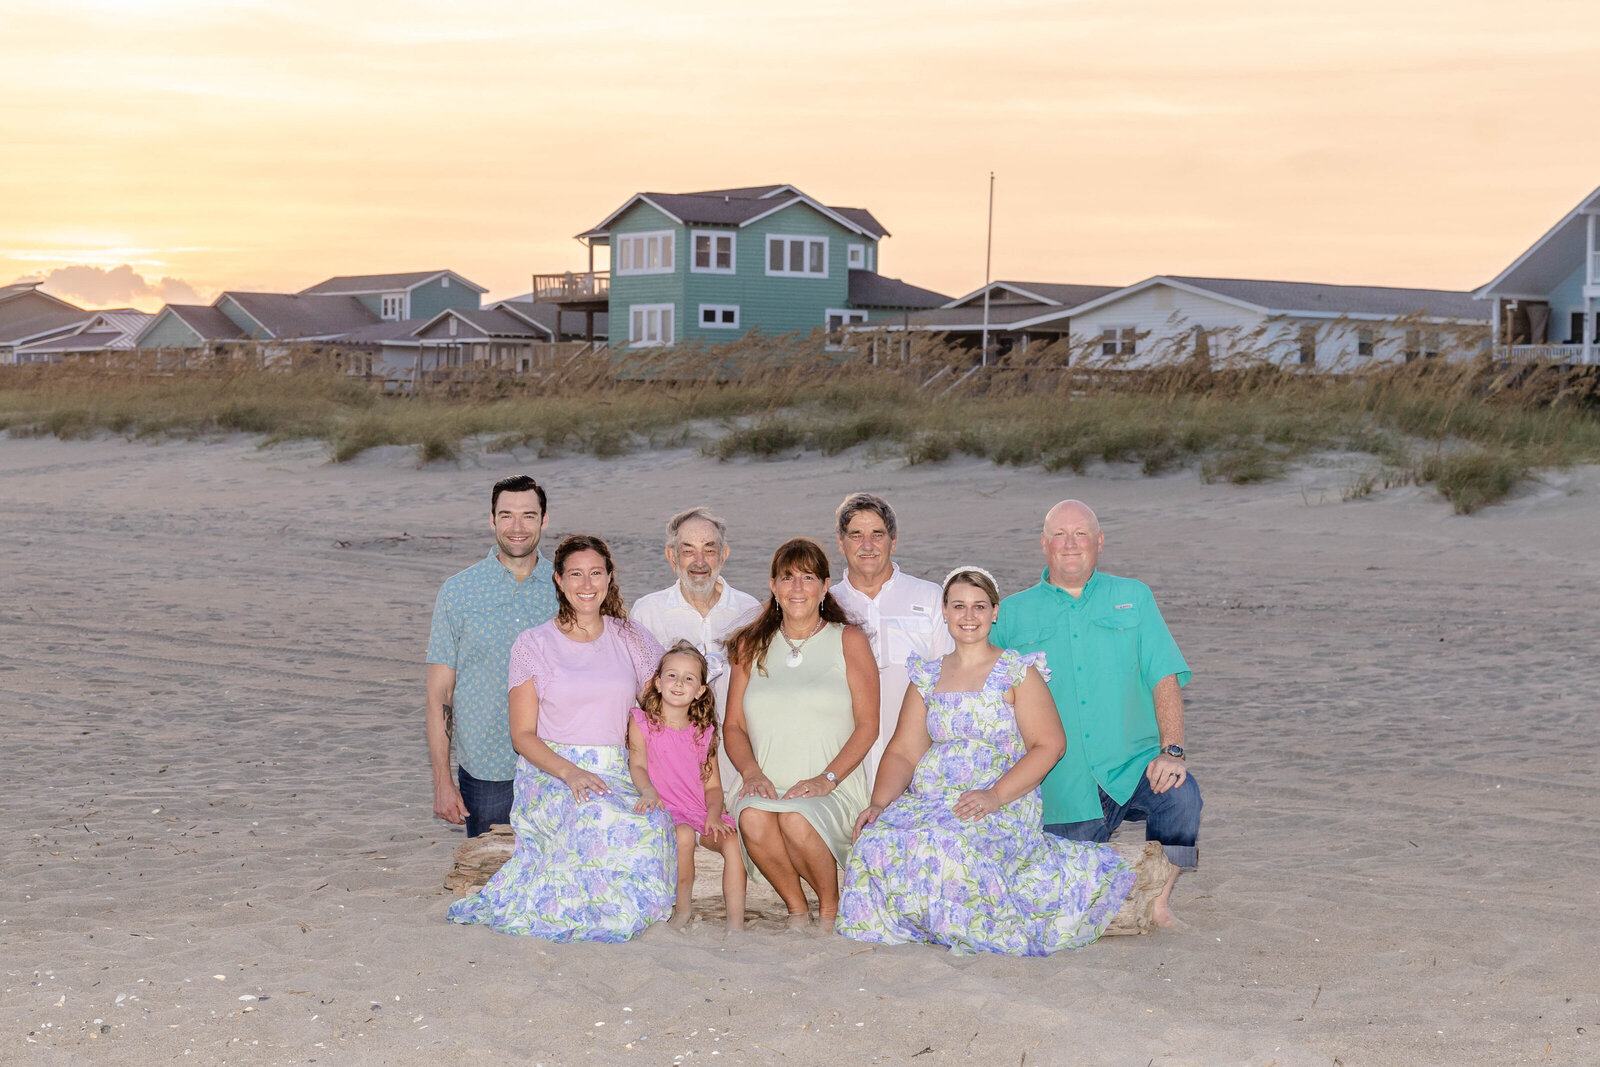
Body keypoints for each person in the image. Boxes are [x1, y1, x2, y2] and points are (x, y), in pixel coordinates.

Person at [835, 567, 1136, 955]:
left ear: (995, 612)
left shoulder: (1017, 672)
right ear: (944, 612)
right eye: (958, 606)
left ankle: (967, 929)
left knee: (952, 844)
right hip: (932, 798)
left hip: (1001, 800)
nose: (968, 616)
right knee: (877, 839)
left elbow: (1049, 745)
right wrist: (879, 803)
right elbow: (903, 751)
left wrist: (995, 795)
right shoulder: (927, 675)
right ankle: (909, 926)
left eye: (979, 606)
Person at [446, 534, 674, 942]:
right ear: (558, 580)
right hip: (551, 772)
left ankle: (622, 911)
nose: (586, 585)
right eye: (575, 575)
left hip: (617, 769)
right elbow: (522, 735)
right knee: (592, 817)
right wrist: (570, 773)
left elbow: (662, 706)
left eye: (595, 574)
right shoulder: (534, 643)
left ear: (609, 578)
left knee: (650, 821)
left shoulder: (631, 638)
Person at [990, 499, 1200, 928]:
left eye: (1081, 534)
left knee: (1181, 795)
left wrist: (1172, 750)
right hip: (1062, 783)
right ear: (1044, 544)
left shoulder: (1133, 597)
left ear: (1099, 542)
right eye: (1060, 535)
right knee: (1068, 903)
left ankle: (1158, 906)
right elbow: (984, 689)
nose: (1071, 544)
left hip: (1131, 763)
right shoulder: (1011, 613)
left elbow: (1164, 675)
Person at [723, 538, 878, 929]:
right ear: (773, 586)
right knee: (754, 818)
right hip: (765, 781)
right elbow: (733, 726)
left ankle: (829, 907)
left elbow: (868, 726)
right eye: (787, 578)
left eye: (807, 577)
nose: (796, 588)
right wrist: (751, 773)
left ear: (825, 587)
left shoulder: (849, 640)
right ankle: (796, 907)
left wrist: (826, 780)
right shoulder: (750, 644)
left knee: (795, 819)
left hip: (832, 785)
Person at [425, 475, 557, 838]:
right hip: (486, 769)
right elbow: (440, 694)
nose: (517, 527)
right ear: (491, 519)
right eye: (506, 515)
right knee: (489, 880)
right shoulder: (459, 591)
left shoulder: (567, 587)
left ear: (544, 520)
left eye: (528, 516)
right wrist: (442, 781)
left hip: (558, 764)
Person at [828, 493, 953, 789]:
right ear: (840, 542)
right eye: (856, 535)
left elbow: (949, 681)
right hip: (841, 767)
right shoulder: (825, 603)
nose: (867, 546)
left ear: (893, 541)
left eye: (877, 535)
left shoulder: (930, 597)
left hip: (918, 766)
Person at [630, 508, 761, 787]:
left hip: (738, 756)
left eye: (709, 550)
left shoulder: (749, 612)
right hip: (670, 762)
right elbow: (639, 695)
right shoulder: (647, 612)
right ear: (671, 557)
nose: (699, 561)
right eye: (688, 550)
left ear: (723, 555)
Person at [627, 641, 747, 932]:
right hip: (664, 808)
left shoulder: (703, 732)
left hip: (698, 810)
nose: (679, 683)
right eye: (672, 675)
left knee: (733, 842)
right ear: (657, 682)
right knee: (682, 835)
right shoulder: (642, 722)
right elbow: (638, 765)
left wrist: (714, 814)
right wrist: (648, 791)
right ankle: (682, 909)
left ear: (700, 690)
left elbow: (714, 787)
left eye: (689, 678)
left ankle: (735, 924)